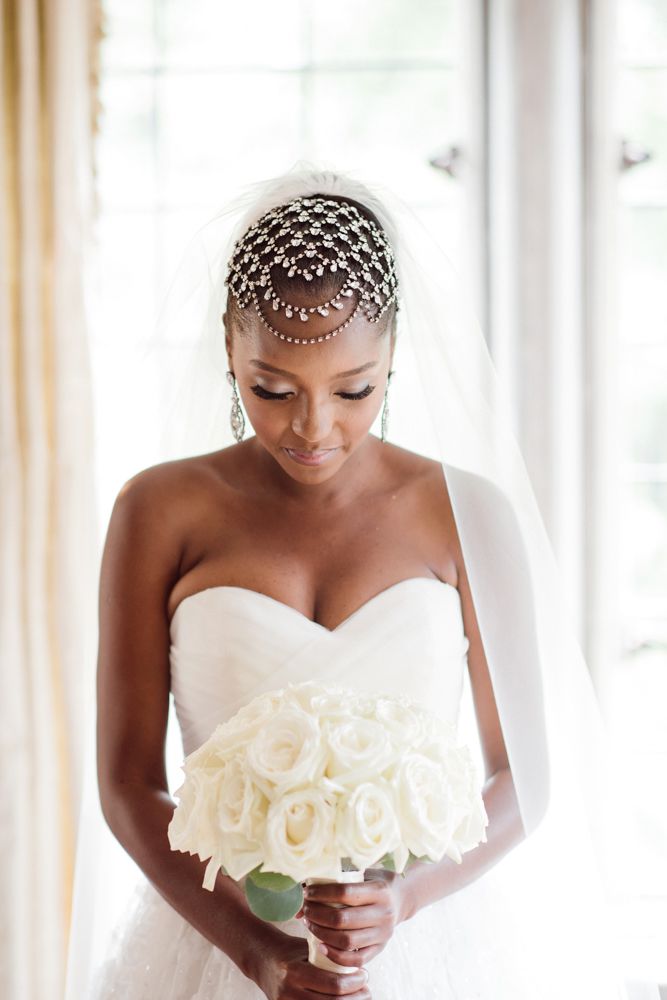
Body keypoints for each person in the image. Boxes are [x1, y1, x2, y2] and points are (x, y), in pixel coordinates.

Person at [65, 165, 654, 999]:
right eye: (270, 388)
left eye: (353, 390)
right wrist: (258, 954)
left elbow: (523, 775)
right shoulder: (157, 510)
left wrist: (401, 900)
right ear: (228, 345)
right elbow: (129, 784)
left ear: (393, 357)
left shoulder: (467, 514)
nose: (312, 428)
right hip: (217, 941)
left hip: (425, 947)